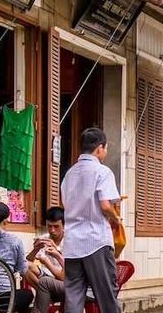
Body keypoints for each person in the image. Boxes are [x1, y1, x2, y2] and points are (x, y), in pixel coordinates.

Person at [61, 128, 121, 313]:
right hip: (95, 240)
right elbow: (104, 205)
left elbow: (65, 204)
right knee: (106, 294)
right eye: (106, 148)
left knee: (73, 295)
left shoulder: (70, 174)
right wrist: (115, 218)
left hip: (72, 243)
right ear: (100, 148)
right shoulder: (102, 172)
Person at [27, 207, 65, 313]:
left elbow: (66, 274)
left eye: (56, 226)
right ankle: (47, 294)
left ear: (64, 226)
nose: (52, 230)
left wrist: (57, 250)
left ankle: (46, 294)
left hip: (62, 279)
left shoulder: (70, 240)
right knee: (25, 266)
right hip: (46, 276)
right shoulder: (44, 237)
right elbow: (29, 260)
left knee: (45, 282)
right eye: (49, 226)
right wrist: (35, 249)